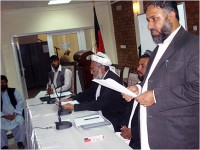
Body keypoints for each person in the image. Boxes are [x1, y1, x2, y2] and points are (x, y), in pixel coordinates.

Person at [122, 1, 199, 149]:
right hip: (151, 134)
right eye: (148, 20)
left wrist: (156, 97)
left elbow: (197, 88)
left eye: (154, 19)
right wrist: (139, 88)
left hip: (176, 137)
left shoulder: (194, 45)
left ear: (171, 16)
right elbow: (157, 80)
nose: (149, 26)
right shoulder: (158, 48)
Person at [61, 52, 129, 132]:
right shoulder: (99, 77)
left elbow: (99, 104)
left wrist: (74, 107)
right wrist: (71, 99)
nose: (91, 72)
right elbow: (88, 94)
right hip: (100, 113)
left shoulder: (112, 81)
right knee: (76, 122)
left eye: (93, 69)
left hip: (112, 119)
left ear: (102, 68)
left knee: (84, 130)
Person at [120, 50, 151, 149]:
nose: (138, 68)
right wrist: (124, 126)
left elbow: (153, 123)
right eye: (138, 65)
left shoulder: (154, 93)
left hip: (141, 142)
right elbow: (128, 110)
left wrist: (133, 133)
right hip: (127, 137)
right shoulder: (137, 87)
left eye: (142, 66)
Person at [1, 75, 26, 149]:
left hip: (15, 114)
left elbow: (20, 101)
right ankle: (3, 145)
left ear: (7, 83)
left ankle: (20, 142)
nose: (2, 84)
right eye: (0, 83)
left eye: (4, 82)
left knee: (20, 122)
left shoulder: (13, 90)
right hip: (3, 116)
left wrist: (15, 113)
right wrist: (5, 116)